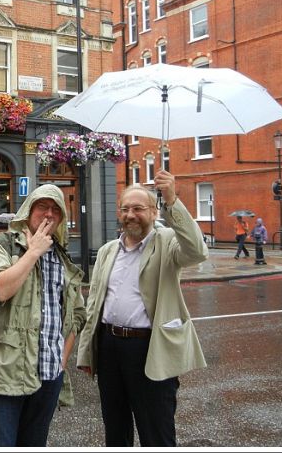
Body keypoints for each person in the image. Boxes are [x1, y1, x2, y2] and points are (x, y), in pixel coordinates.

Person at [76, 170, 209, 447]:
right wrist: (87, 351)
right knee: (115, 428)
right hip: (110, 346)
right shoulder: (107, 250)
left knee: (156, 431)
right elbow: (95, 305)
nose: (130, 215)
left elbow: (197, 250)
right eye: (125, 209)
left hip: (149, 348)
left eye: (138, 208)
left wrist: (171, 198)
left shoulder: (168, 243)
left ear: (154, 212)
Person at [0, 184, 87, 447]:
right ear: (28, 210)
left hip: (48, 376)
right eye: (42, 207)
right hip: (5, 376)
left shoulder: (61, 256)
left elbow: (76, 314)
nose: (48, 214)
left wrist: (62, 360)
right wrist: (33, 252)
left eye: (55, 209)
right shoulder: (3, 246)